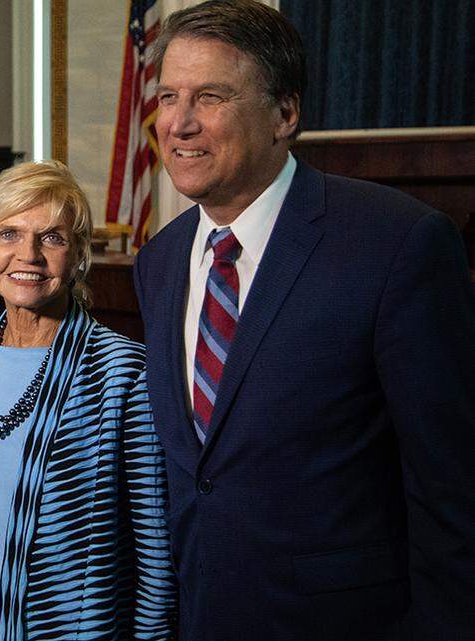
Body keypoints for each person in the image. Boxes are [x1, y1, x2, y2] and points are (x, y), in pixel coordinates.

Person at [133, 1, 475, 639]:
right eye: (167, 96)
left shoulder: (397, 244)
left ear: (284, 114)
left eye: (209, 97)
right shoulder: (158, 262)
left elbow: (451, 492)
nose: (177, 124)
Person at [0, 160, 176, 641]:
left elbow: (155, 553)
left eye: (52, 238)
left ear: (78, 255)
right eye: (9, 234)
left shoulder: (124, 372)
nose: (29, 255)